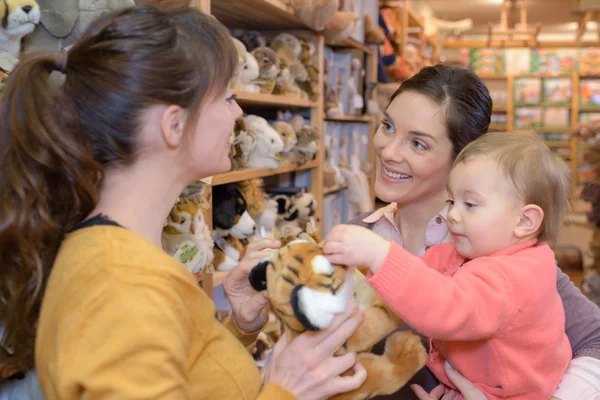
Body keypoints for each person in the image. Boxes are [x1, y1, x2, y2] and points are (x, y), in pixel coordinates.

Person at [0, 5, 368, 400]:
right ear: (173, 125)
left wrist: (239, 325)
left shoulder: (121, 253)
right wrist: (287, 390)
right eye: (227, 97)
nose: (239, 112)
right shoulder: (122, 283)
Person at [325, 64, 600, 400]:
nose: (388, 151)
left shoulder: (501, 253)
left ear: (461, 157)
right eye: (387, 126)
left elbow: (595, 339)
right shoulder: (358, 233)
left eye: (418, 144)